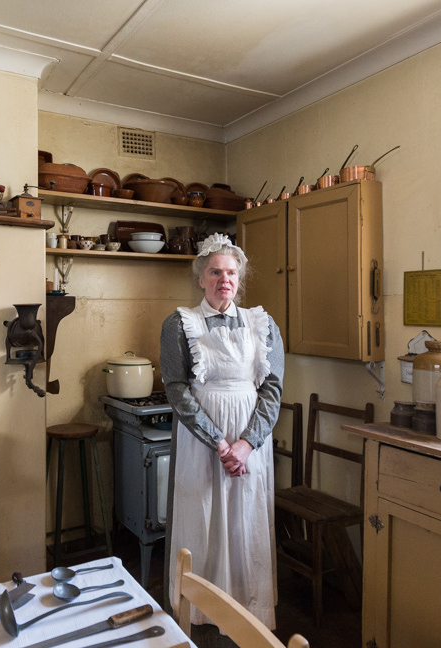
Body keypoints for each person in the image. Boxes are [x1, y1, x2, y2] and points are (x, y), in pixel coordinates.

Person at [160, 232, 284, 634]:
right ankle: (199, 614)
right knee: (202, 517)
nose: (223, 280)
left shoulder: (263, 324)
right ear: (201, 279)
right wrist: (218, 442)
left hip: (250, 443)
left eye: (231, 272)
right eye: (215, 272)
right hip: (202, 442)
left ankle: (248, 612)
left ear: (239, 278)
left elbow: (272, 390)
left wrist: (245, 445)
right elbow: (176, 389)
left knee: (246, 521)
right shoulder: (179, 324)